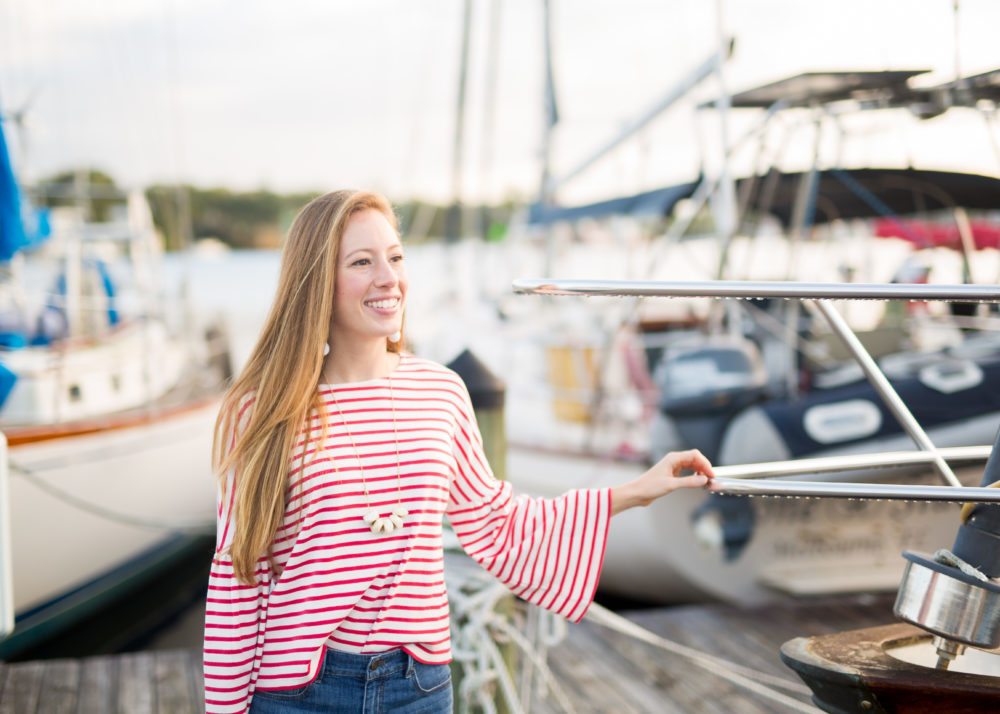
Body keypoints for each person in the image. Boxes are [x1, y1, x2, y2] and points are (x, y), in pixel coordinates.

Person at [203, 189, 715, 714]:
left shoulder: (440, 392)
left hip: (417, 687)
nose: (389, 278)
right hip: (301, 688)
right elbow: (239, 577)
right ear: (316, 283)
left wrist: (633, 493)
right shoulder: (262, 410)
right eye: (362, 262)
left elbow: (497, 522)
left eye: (396, 258)